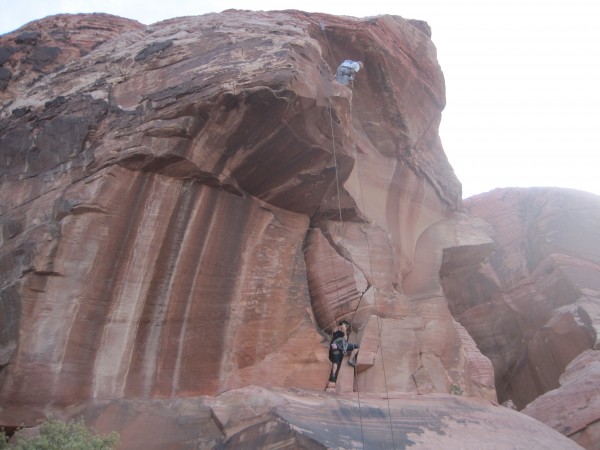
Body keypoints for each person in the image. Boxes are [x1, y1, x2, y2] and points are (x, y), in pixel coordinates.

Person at [326, 319, 360, 390]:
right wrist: (344, 326)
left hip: (335, 348)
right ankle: (350, 360)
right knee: (356, 347)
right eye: (346, 326)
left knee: (336, 363)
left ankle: (333, 376)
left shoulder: (336, 330)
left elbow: (344, 336)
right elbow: (344, 333)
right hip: (340, 346)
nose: (346, 327)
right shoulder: (339, 329)